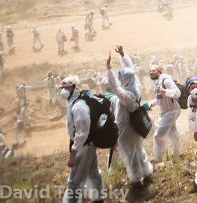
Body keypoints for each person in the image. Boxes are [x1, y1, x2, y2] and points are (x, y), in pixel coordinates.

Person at [106, 45, 154, 189]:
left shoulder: (126, 96)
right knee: (139, 151)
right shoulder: (136, 87)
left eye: (121, 77)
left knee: (129, 155)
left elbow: (114, 87)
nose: (120, 79)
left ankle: (135, 178)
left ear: (125, 80)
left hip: (125, 129)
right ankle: (146, 172)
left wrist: (108, 68)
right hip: (136, 127)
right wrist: (122, 55)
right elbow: (130, 69)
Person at [61, 74, 104, 202]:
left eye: (67, 88)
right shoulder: (73, 103)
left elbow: (82, 133)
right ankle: (98, 197)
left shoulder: (79, 106)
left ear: (74, 88)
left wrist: (74, 153)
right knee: (92, 173)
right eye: (62, 88)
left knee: (74, 181)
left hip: (83, 146)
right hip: (85, 145)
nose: (63, 91)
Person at [149, 64, 182, 163]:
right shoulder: (156, 84)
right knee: (173, 132)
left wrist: (164, 90)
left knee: (158, 135)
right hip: (165, 112)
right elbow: (159, 99)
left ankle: (158, 158)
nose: (151, 72)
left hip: (172, 111)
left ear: (159, 72)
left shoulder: (166, 81)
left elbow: (177, 93)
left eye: (154, 70)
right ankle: (177, 153)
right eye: (150, 71)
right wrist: (150, 104)